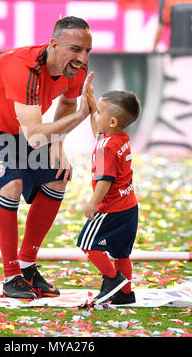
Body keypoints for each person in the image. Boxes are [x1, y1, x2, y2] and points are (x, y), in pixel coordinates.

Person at [0, 16, 93, 300]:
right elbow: (35, 136)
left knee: (58, 175)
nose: (82, 57)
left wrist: (59, 142)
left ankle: (28, 266)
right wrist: (80, 117)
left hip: (21, 126)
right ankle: (11, 275)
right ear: (54, 45)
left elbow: (67, 101)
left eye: (87, 51)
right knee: (11, 185)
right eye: (76, 49)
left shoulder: (75, 69)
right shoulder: (25, 68)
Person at [77, 81, 141, 305]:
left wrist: (93, 203)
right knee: (121, 253)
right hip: (129, 207)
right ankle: (125, 294)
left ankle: (113, 280)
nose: (96, 116)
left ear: (112, 121)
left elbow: (105, 179)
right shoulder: (118, 138)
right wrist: (93, 104)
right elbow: (99, 131)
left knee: (86, 243)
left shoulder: (107, 147)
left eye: (100, 113)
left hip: (110, 208)